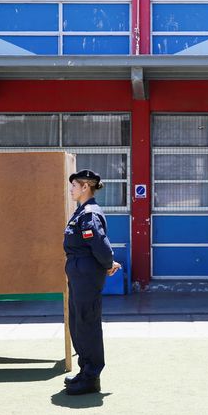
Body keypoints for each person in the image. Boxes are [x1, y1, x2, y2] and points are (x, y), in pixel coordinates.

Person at [63, 169, 121, 396]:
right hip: (79, 272)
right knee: (78, 323)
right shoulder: (81, 212)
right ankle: (84, 370)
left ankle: (92, 376)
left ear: (85, 187)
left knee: (87, 322)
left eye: (74, 186)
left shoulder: (89, 214)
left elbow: (99, 245)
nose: (71, 189)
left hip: (86, 273)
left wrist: (109, 264)